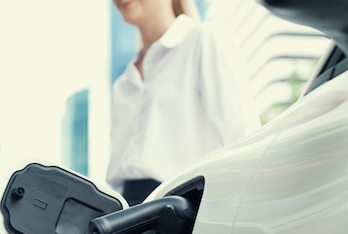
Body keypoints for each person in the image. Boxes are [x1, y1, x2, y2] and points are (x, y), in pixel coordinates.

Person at [107, 0, 261, 205]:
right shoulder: (124, 83)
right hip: (124, 215)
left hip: (181, 214)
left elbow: (244, 141)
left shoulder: (203, 40)